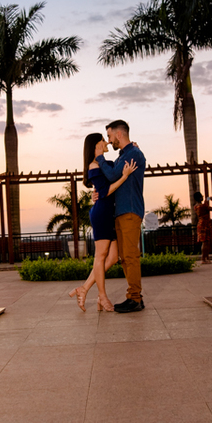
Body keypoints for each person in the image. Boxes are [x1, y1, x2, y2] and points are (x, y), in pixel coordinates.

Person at [70, 133, 137, 312]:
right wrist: (124, 176)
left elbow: (108, 179)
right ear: (95, 145)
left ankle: (84, 288)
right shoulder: (93, 166)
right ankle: (102, 296)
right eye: (103, 139)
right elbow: (106, 191)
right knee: (100, 256)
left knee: (113, 257)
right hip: (101, 214)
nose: (107, 142)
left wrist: (131, 149)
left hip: (110, 214)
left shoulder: (104, 164)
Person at [92, 120, 147, 313]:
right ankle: (134, 296)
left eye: (109, 136)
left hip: (130, 211)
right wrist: (98, 192)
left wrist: (99, 158)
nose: (109, 140)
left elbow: (113, 176)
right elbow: (113, 183)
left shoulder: (133, 154)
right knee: (125, 257)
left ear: (119, 134)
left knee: (130, 256)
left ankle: (135, 298)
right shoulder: (124, 156)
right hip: (121, 211)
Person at [193, 191, 212, 264]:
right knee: (206, 242)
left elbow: (204, 205)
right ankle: (203, 258)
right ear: (199, 198)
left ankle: (206, 258)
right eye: (201, 196)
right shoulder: (203, 206)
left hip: (200, 224)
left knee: (205, 242)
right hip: (205, 225)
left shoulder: (195, 207)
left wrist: (207, 200)